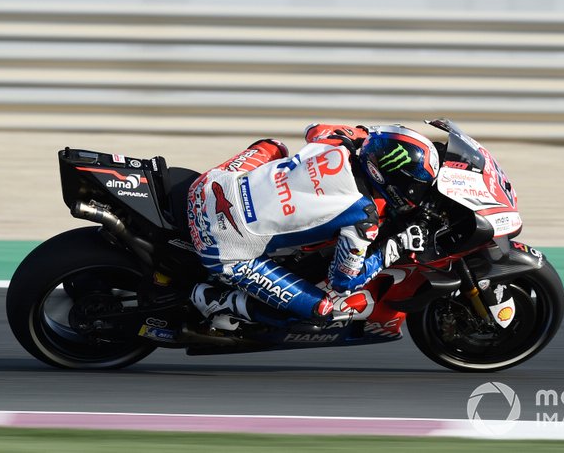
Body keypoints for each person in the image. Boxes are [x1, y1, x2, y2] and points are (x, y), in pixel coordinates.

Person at [187, 123, 440, 331]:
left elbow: (314, 128)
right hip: (223, 248)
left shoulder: (337, 140)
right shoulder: (363, 216)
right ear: (393, 179)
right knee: (322, 310)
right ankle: (218, 301)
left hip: (207, 187)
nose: (416, 192)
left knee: (274, 146)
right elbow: (343, 282)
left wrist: (360, 135)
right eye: (415, 184)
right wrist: (395, 246)